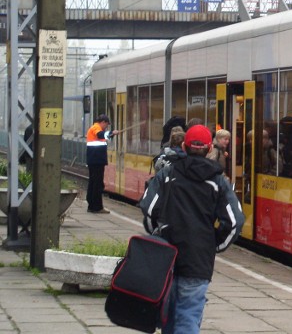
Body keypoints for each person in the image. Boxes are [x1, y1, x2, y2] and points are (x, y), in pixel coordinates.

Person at [140, 124, 244, 334]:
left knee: (167, 318)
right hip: (198, 259)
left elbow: (149, 208)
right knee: (188, 317)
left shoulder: (168, 174)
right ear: (209, 149)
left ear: (185, 147)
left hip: (166, 256)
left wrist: (157, 236)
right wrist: (214, 244)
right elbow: (235, 221)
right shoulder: (218, 182)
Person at [86, 114, 119, 214]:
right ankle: (97, 207)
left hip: (94, 160)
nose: (106, 127)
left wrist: (111, 134)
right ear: (103, 122)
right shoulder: (96, 127)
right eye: (106, 125)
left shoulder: (95, 127)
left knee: (93, 183)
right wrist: (112, 132)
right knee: (97, 184)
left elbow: (102, 136)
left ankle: (91, 205)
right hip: (96, 160)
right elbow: (100, 135)